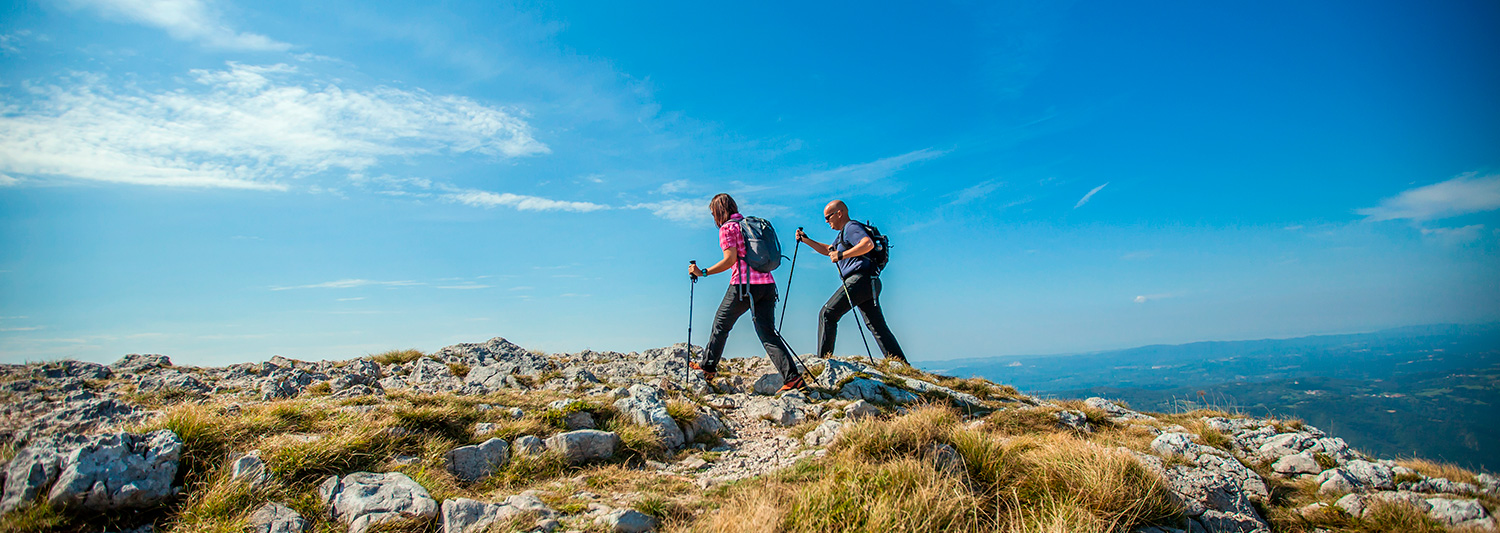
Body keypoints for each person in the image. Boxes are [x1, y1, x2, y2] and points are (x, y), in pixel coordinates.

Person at [688, 193, 806, 391]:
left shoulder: (728, 228)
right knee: (768, 333)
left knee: (721, 324)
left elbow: (730, 260)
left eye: (712, 213)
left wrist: (703, 272)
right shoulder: (749, 225)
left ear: (718, 212)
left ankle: (707, 367)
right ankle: (793, 379)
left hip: (743, 286)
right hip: (767, 285)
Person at [794, 200, 908, 364]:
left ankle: (824, 362)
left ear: (839, 213)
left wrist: (841, 256)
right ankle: (902, 364)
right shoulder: (843, 235)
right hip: (870, 282)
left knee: (827, 314)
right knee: (877, 326)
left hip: (860, 280)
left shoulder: (851, 227)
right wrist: (806, 240)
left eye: (828, 217)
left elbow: (867, 244)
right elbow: (829, 250)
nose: (826, 221)